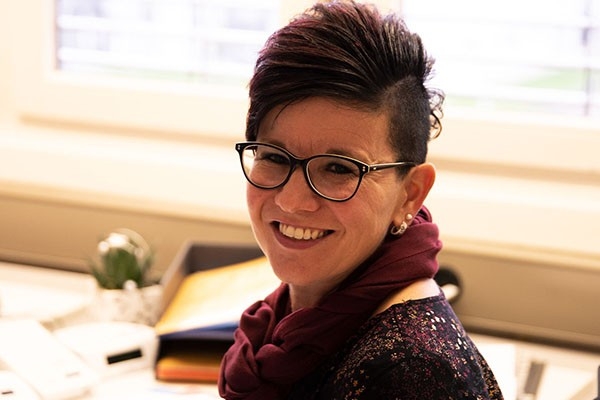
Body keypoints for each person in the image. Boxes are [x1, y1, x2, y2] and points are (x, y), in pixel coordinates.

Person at [218, 1, 504, 399]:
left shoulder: (409, 371)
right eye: (274, 157)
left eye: (339, 168)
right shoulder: (300, 318)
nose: (294, 202)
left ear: (410, 194)